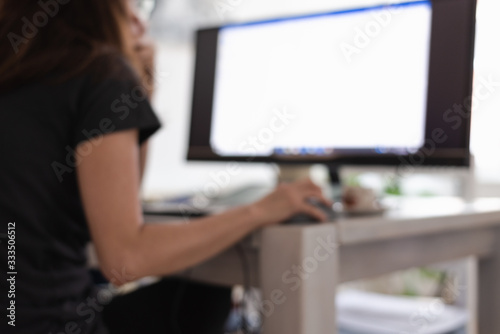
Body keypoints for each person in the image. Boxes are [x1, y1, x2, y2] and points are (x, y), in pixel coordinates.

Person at [0, 0, 331, 333]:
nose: (142, 18)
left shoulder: (17, 73)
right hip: (46, 323)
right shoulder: (98, 72)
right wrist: (259, 211)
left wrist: (139, 91)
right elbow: (124, 259)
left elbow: (122, 200)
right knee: (204, 295)